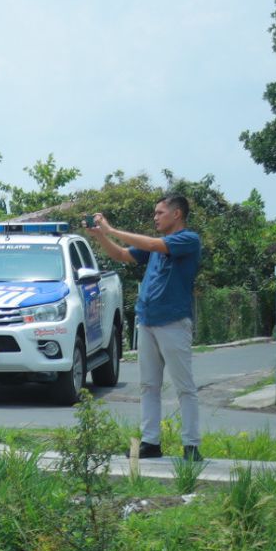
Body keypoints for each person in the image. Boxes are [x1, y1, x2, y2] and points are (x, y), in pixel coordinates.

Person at [87, 196, 204, 461]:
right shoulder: (154, 246)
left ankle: (192, 445)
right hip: (147, 320)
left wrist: (112, 230)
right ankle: (150, 442)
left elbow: (154, 244)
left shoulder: (188, 239)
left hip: (173, 322)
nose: (155, 217)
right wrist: (100, 236)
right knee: (148, 385)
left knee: (184, 386)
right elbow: (122, 254)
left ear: (176, 214)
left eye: (160, 212)